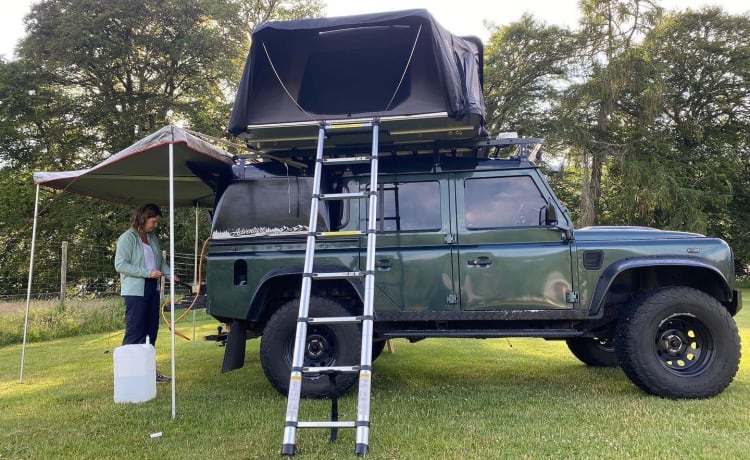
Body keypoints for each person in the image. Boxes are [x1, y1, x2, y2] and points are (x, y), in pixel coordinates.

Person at [114, 203, 178, 383]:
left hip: (152, 288)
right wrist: (147, 273)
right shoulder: (127, 238)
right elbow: (120, 265)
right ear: (143, 218)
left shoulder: (153, 238)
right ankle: (129, 375)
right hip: (135, 291)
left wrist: (170, 273)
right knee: (136, 330)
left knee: (152, 330)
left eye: (157, 222)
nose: (156, 225)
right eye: (153, 221)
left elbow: (159, 263)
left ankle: (149, 371)